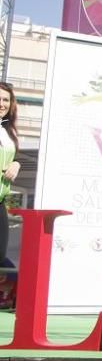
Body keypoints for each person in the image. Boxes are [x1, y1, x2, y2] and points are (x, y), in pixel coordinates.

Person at [0, 83, 20, 265]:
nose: (2, 104)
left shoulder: (8, 132)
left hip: (0, 201)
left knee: (0, 254)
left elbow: (14, 158)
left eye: (5, 99)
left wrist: (16, 163)